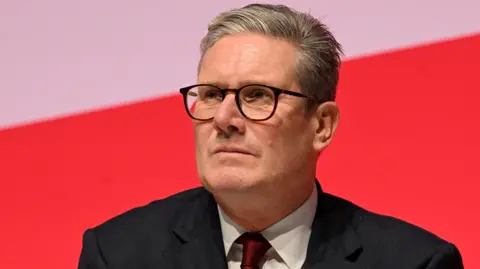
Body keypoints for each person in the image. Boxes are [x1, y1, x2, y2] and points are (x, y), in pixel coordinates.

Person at [78, 3, 464, 269]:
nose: (225, 118)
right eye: (212, 95)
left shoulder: (413, 262)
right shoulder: (119, 253)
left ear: (321, 125)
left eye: (258, 96)